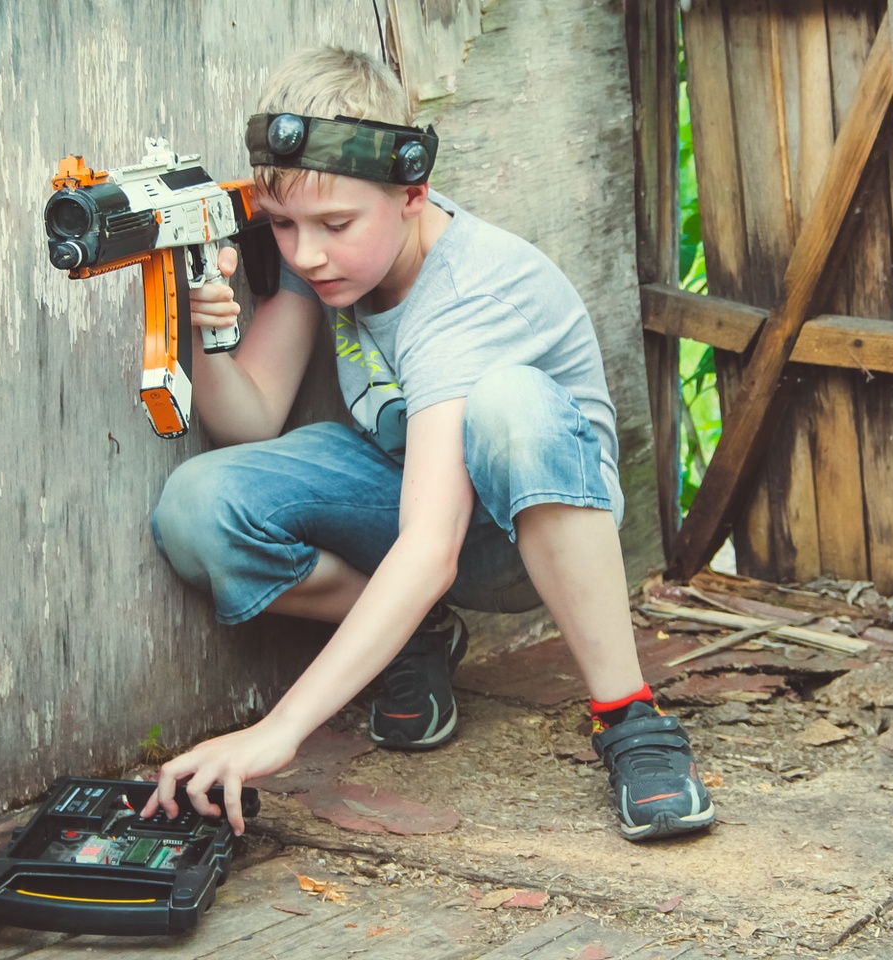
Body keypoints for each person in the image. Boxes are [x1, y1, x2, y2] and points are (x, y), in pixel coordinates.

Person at [139, 47, 714, 843]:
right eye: (283, 226)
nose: (305, 253)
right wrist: (208, 332)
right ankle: (418, 636)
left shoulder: (468, 295)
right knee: (198, 505)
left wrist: (279, 731)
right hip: (416, 492)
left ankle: (631, 718)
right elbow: (250, 417)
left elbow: (430, 547)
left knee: (508, 403)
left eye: (335, 226)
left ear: (411, 193)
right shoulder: (330, 259)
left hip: (527, 533)